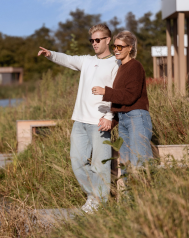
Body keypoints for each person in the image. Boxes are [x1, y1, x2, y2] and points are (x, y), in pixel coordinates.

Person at [38, 24, 119, 213]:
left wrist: (109, 116)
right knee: (77, 162)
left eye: (98, 40)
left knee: (100, 166)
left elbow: (118, 93)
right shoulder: (87, 61)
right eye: (92, 40)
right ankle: (96, 196)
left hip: (100, 122)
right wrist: (51, 54)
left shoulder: (116, 63)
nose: (94, 43)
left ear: (108, 40)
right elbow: (68, 59)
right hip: (80, 121)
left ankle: (101, 204)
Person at [92, 30, 153, 171]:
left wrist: (105, 91)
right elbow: (121, 100)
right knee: (126, 165)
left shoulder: (135, 66)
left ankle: (147, 193)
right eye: (114, 46)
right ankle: (129, 193)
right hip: (124, 119)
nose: (116, 50)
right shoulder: (120, 68)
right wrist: (112, 121)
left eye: (120, 47)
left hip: (137, 117)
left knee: (140, 162)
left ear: (130, 48)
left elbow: (131, 95)